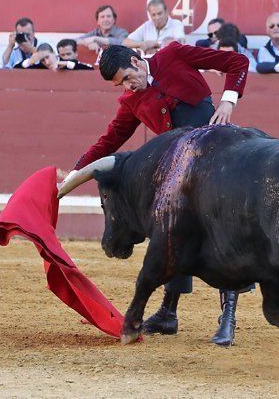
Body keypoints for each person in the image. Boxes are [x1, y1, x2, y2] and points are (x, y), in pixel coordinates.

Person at [63, 42, 249, 347]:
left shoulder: (173, 55)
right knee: (172, 231)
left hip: (218, 159)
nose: (126, 86)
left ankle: (227, 317)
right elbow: (108, 141)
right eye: (119, 84)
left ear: (137, 60)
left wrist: (228, 101)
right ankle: (167, 313)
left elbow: (237, 61)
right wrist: (73, 175)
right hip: (181, 174)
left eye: (126, 78)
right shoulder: (131, 102)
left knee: (225, 232)